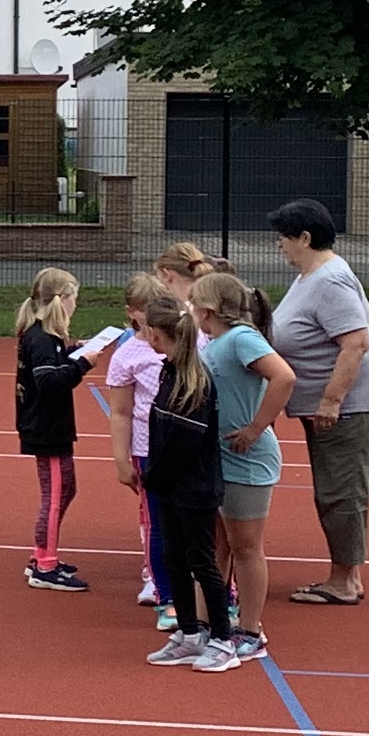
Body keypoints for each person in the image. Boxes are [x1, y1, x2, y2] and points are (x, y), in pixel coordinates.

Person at [264, 200, 369, 607]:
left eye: (284, 238)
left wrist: (330, 400)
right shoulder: (311, 276)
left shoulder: (330, 281)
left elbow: (355, 343)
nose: (279, 246)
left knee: (340, 489)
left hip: (353, 403)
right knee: (336, 486)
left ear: (305, 238)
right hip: (333, 402)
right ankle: (348, 573)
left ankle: (343, 581)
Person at [188, 267, 295, 660]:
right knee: (216, 544)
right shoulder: (213, 342)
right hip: (216, 457)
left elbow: (284, 377)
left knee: (245, 546)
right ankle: (207, 624)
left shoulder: (241, 339)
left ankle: (251, 630)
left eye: (194, 301)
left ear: (209, 308)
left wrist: (255, 427)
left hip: (245, 459)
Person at [134, 286, 238, 667]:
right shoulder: (169, 372)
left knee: (202, 562)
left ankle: (223, 640)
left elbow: (184, 445)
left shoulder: (194, 383)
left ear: (159, 335)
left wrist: (156, 476)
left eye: (147, 331)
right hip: (169, 486)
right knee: (175, 559)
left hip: (192, 489)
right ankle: (190, 632)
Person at [94, 278, 173, 624]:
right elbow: (121, 413)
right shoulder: (127, 355)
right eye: (146, 310)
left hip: (190, 449)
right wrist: (120, 459)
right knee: (159, 524)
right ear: (132, 314)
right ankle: (166, 596)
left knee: (202, 523)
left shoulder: (193, 343)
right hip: (148, 449)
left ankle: (219, 593)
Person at [12, 267, 93, 592]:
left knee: (66, 489)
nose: (76, 304)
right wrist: (83, 364)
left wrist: (74, 353)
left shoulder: (48, 337)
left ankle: (43, 554)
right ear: (63, 300)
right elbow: (49, 381)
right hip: (46, 428)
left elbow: (50, 368)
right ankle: (44, 563)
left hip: (51, 425)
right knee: (56, 494)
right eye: (75, 298)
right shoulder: (43, 338)